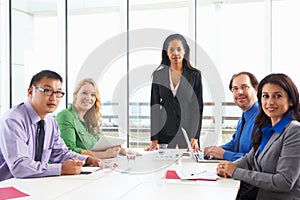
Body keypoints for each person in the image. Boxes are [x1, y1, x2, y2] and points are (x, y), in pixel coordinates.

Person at [0, 70, 99, 182]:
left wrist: (88, 160)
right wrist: (61, 169)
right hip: (8, 187)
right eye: (47, 91)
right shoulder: (13, 120)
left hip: (35, 184)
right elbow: (20, 166)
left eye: (58, 93)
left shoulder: (50, 121)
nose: (53, 98)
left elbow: (60, 153)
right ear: (30, 91)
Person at [217, 73, 300, 199]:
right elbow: (250, 159)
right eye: (265, 96)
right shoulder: (267, 128)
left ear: (291, 101)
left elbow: (284, 182)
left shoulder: (294, 130)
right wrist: (226, 167)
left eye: (277, 96)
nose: (270, 102)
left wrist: (235, 171)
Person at [145, 33, 203, 151]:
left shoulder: (195, 75)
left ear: (184, 51)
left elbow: (197, 108)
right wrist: (154, 139)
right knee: (162, 167)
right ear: (166, 52)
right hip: (164, 131)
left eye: (178, 49)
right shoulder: (158, 76)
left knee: (189, 166)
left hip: (188, 133)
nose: (175, 53)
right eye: (171, 49)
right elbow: (154, 107)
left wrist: (195, 136)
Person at [56, 78, 132, 159]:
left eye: (93, 95)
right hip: (76, 168)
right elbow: (68, 151)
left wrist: (121, 150)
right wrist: (105, 155)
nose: (89, 98)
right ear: (75, 94)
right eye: (84, 93)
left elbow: (100, 144)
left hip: (94, 165)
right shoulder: (65, 116)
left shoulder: (90, 118)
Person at [204, 72, 259, 161]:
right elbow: (235, 144)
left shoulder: (263, 118)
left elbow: (258, 159)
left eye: (244, 87)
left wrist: (224, 154)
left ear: (256, 89)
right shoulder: (243, 118)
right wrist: (214, 150)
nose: (239, 92)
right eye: (235, 89)